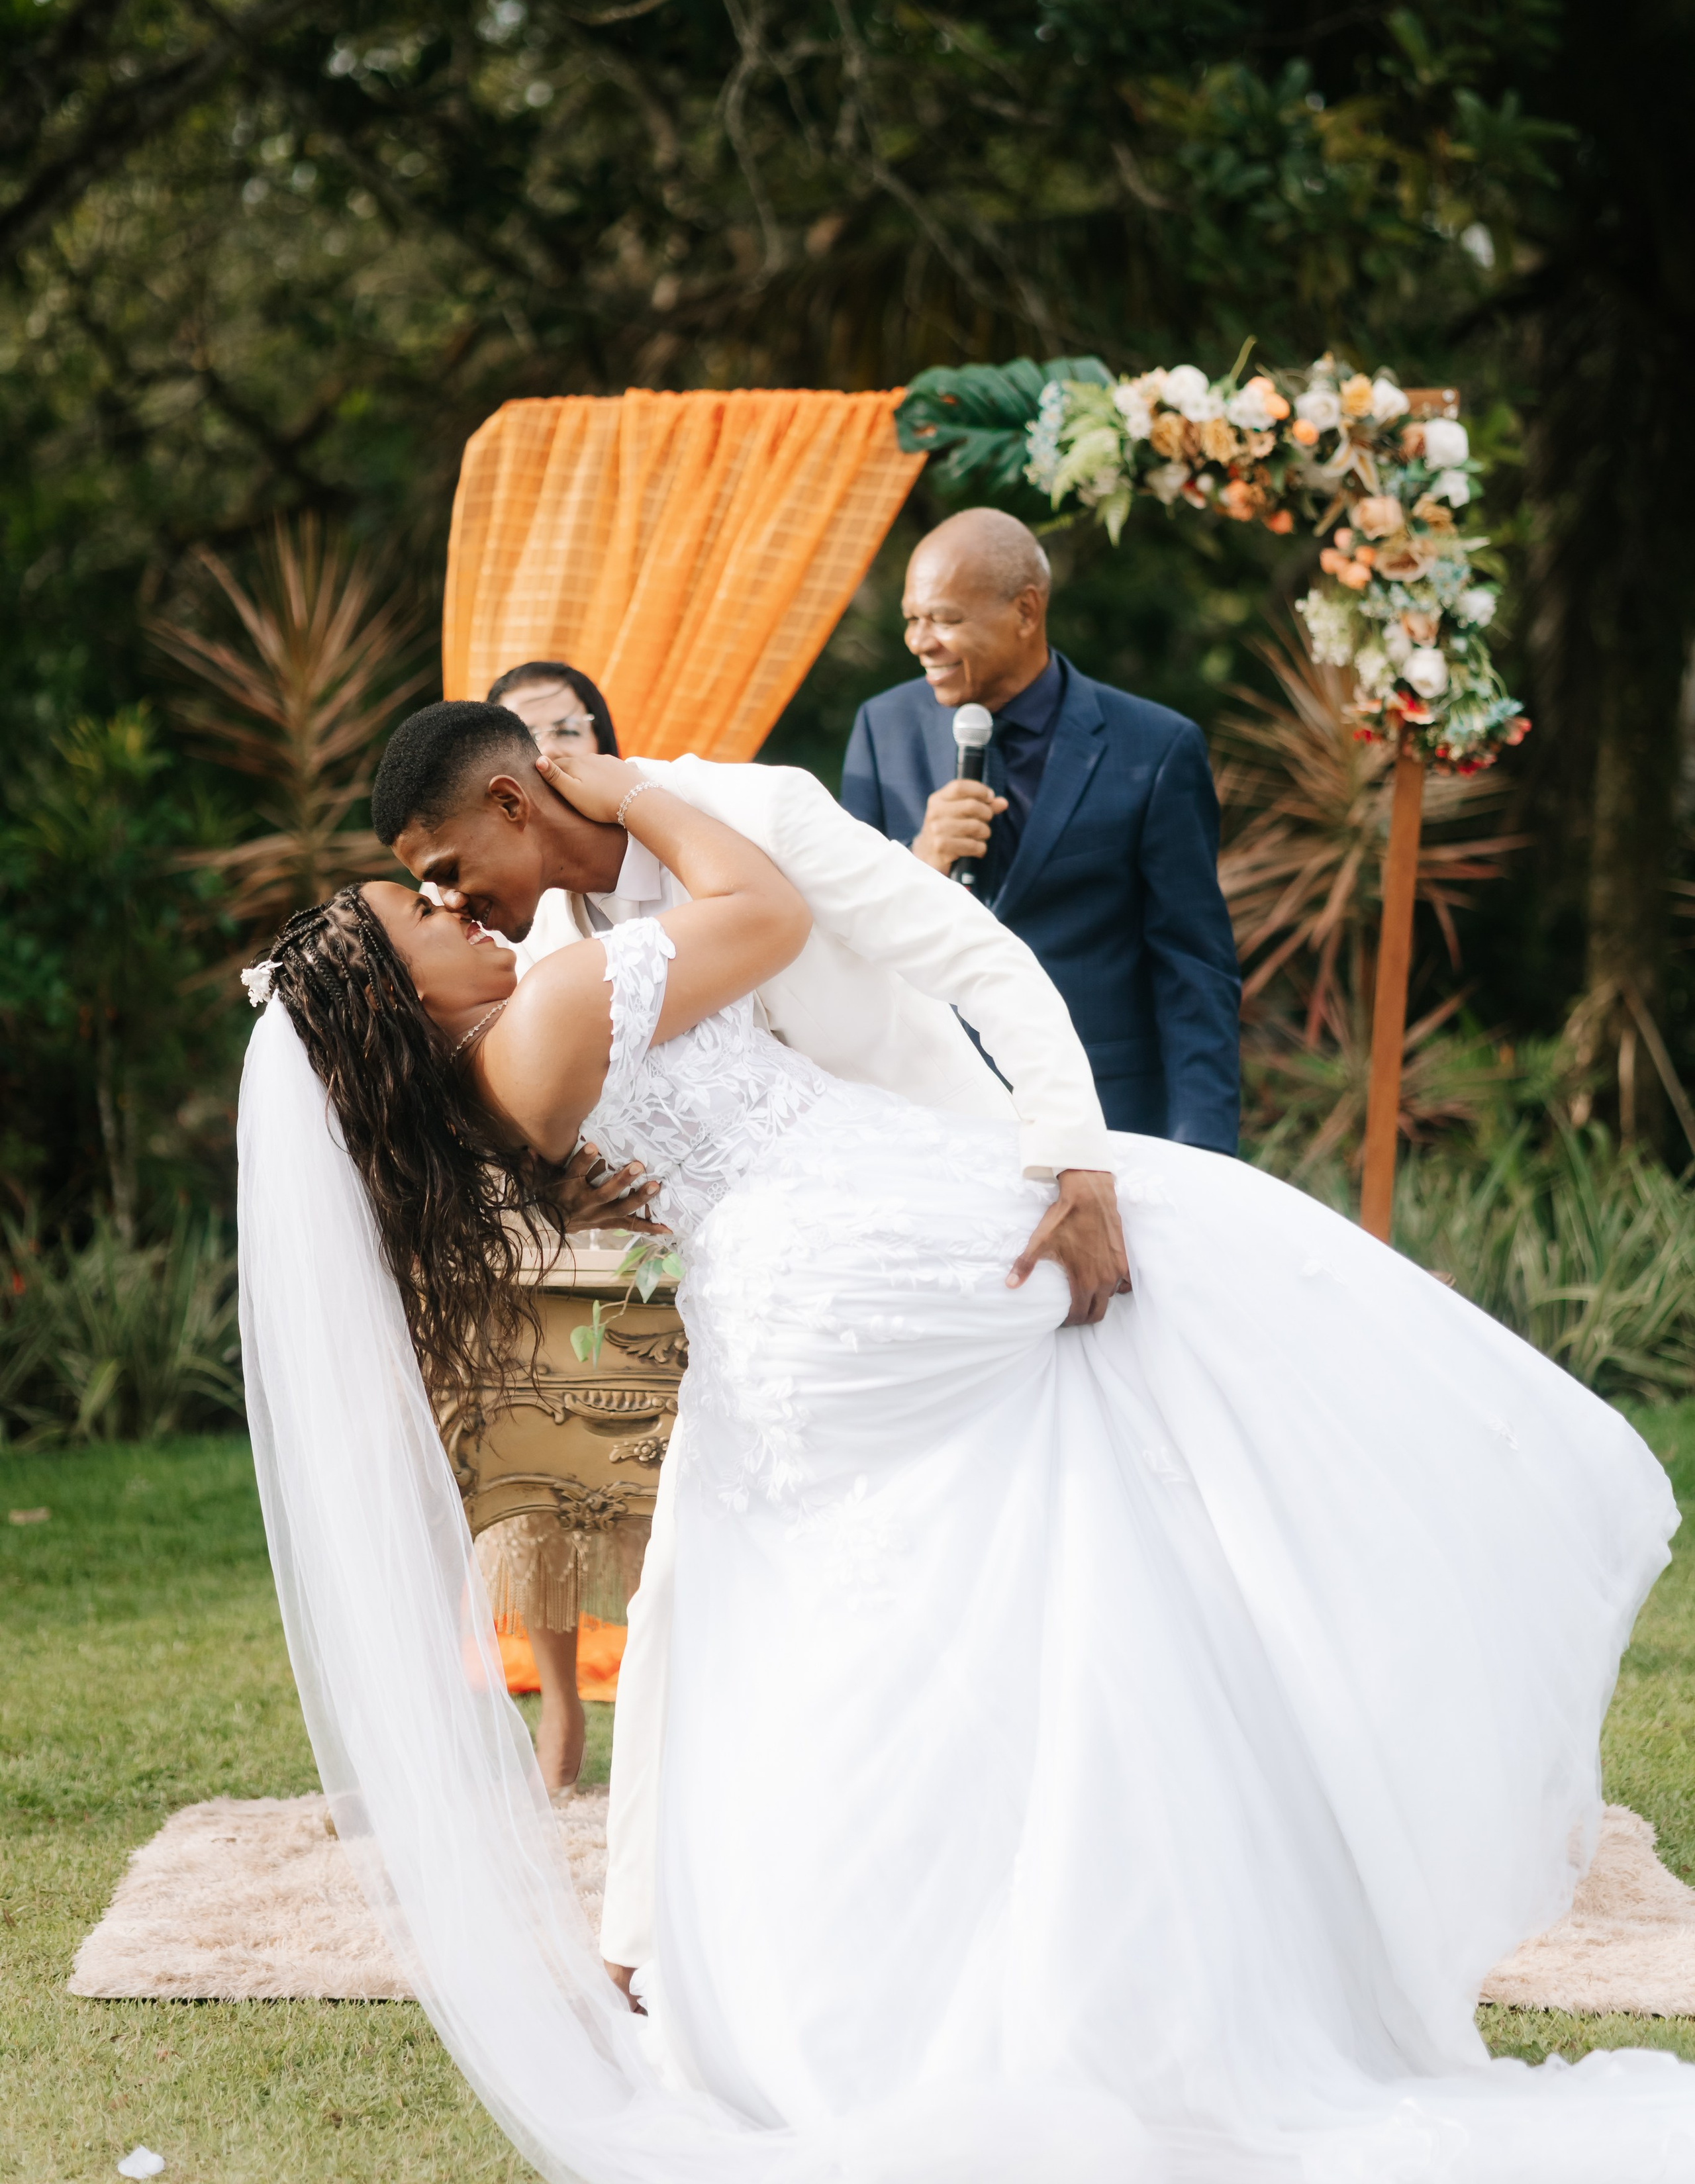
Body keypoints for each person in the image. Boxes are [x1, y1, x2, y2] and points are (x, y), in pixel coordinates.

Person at [237, 737, 1695, 2184]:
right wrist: (634, 795)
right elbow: (766, 917)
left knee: (921, 1616)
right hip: (854, 1248)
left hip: (779, 1307)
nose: (454, 913)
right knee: (1202, 1283)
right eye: (420, 918)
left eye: (438, 887)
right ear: (392, 999)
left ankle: (916, 2003)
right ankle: (1351, 1701)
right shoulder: (555, 987)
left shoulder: (489, 1089)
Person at [369, 697, 1130, 1991]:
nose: (454, 906)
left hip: (951, 1207)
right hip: (784, 1291)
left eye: (446, 871)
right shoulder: (540, 950)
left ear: (510, 801)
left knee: (1004, 1549)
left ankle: (1011, 1875)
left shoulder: (754, 811)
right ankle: (660, 1939)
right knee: (711, 1583)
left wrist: (1071, 1159)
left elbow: (976, 964)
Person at [842, 508, 1241, 1153]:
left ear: (1026, 612)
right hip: (928, 1114)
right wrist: (918, 860)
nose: (920, 641)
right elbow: (839, 939)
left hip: (1105, 1113)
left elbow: (1193, 970)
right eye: (911, 619)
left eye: (944, 619)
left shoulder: (1157, 747)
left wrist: (1206, 1153)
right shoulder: (881, 729)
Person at [469, 659, 640, 1795]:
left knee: (648, 1468)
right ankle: (565, 1713)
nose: (547, 751)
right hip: (543, 1215)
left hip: (657, 1200)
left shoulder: (639, 866)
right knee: (546, 1476)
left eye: (565, 727)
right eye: (522, 737)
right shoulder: (489, 914)